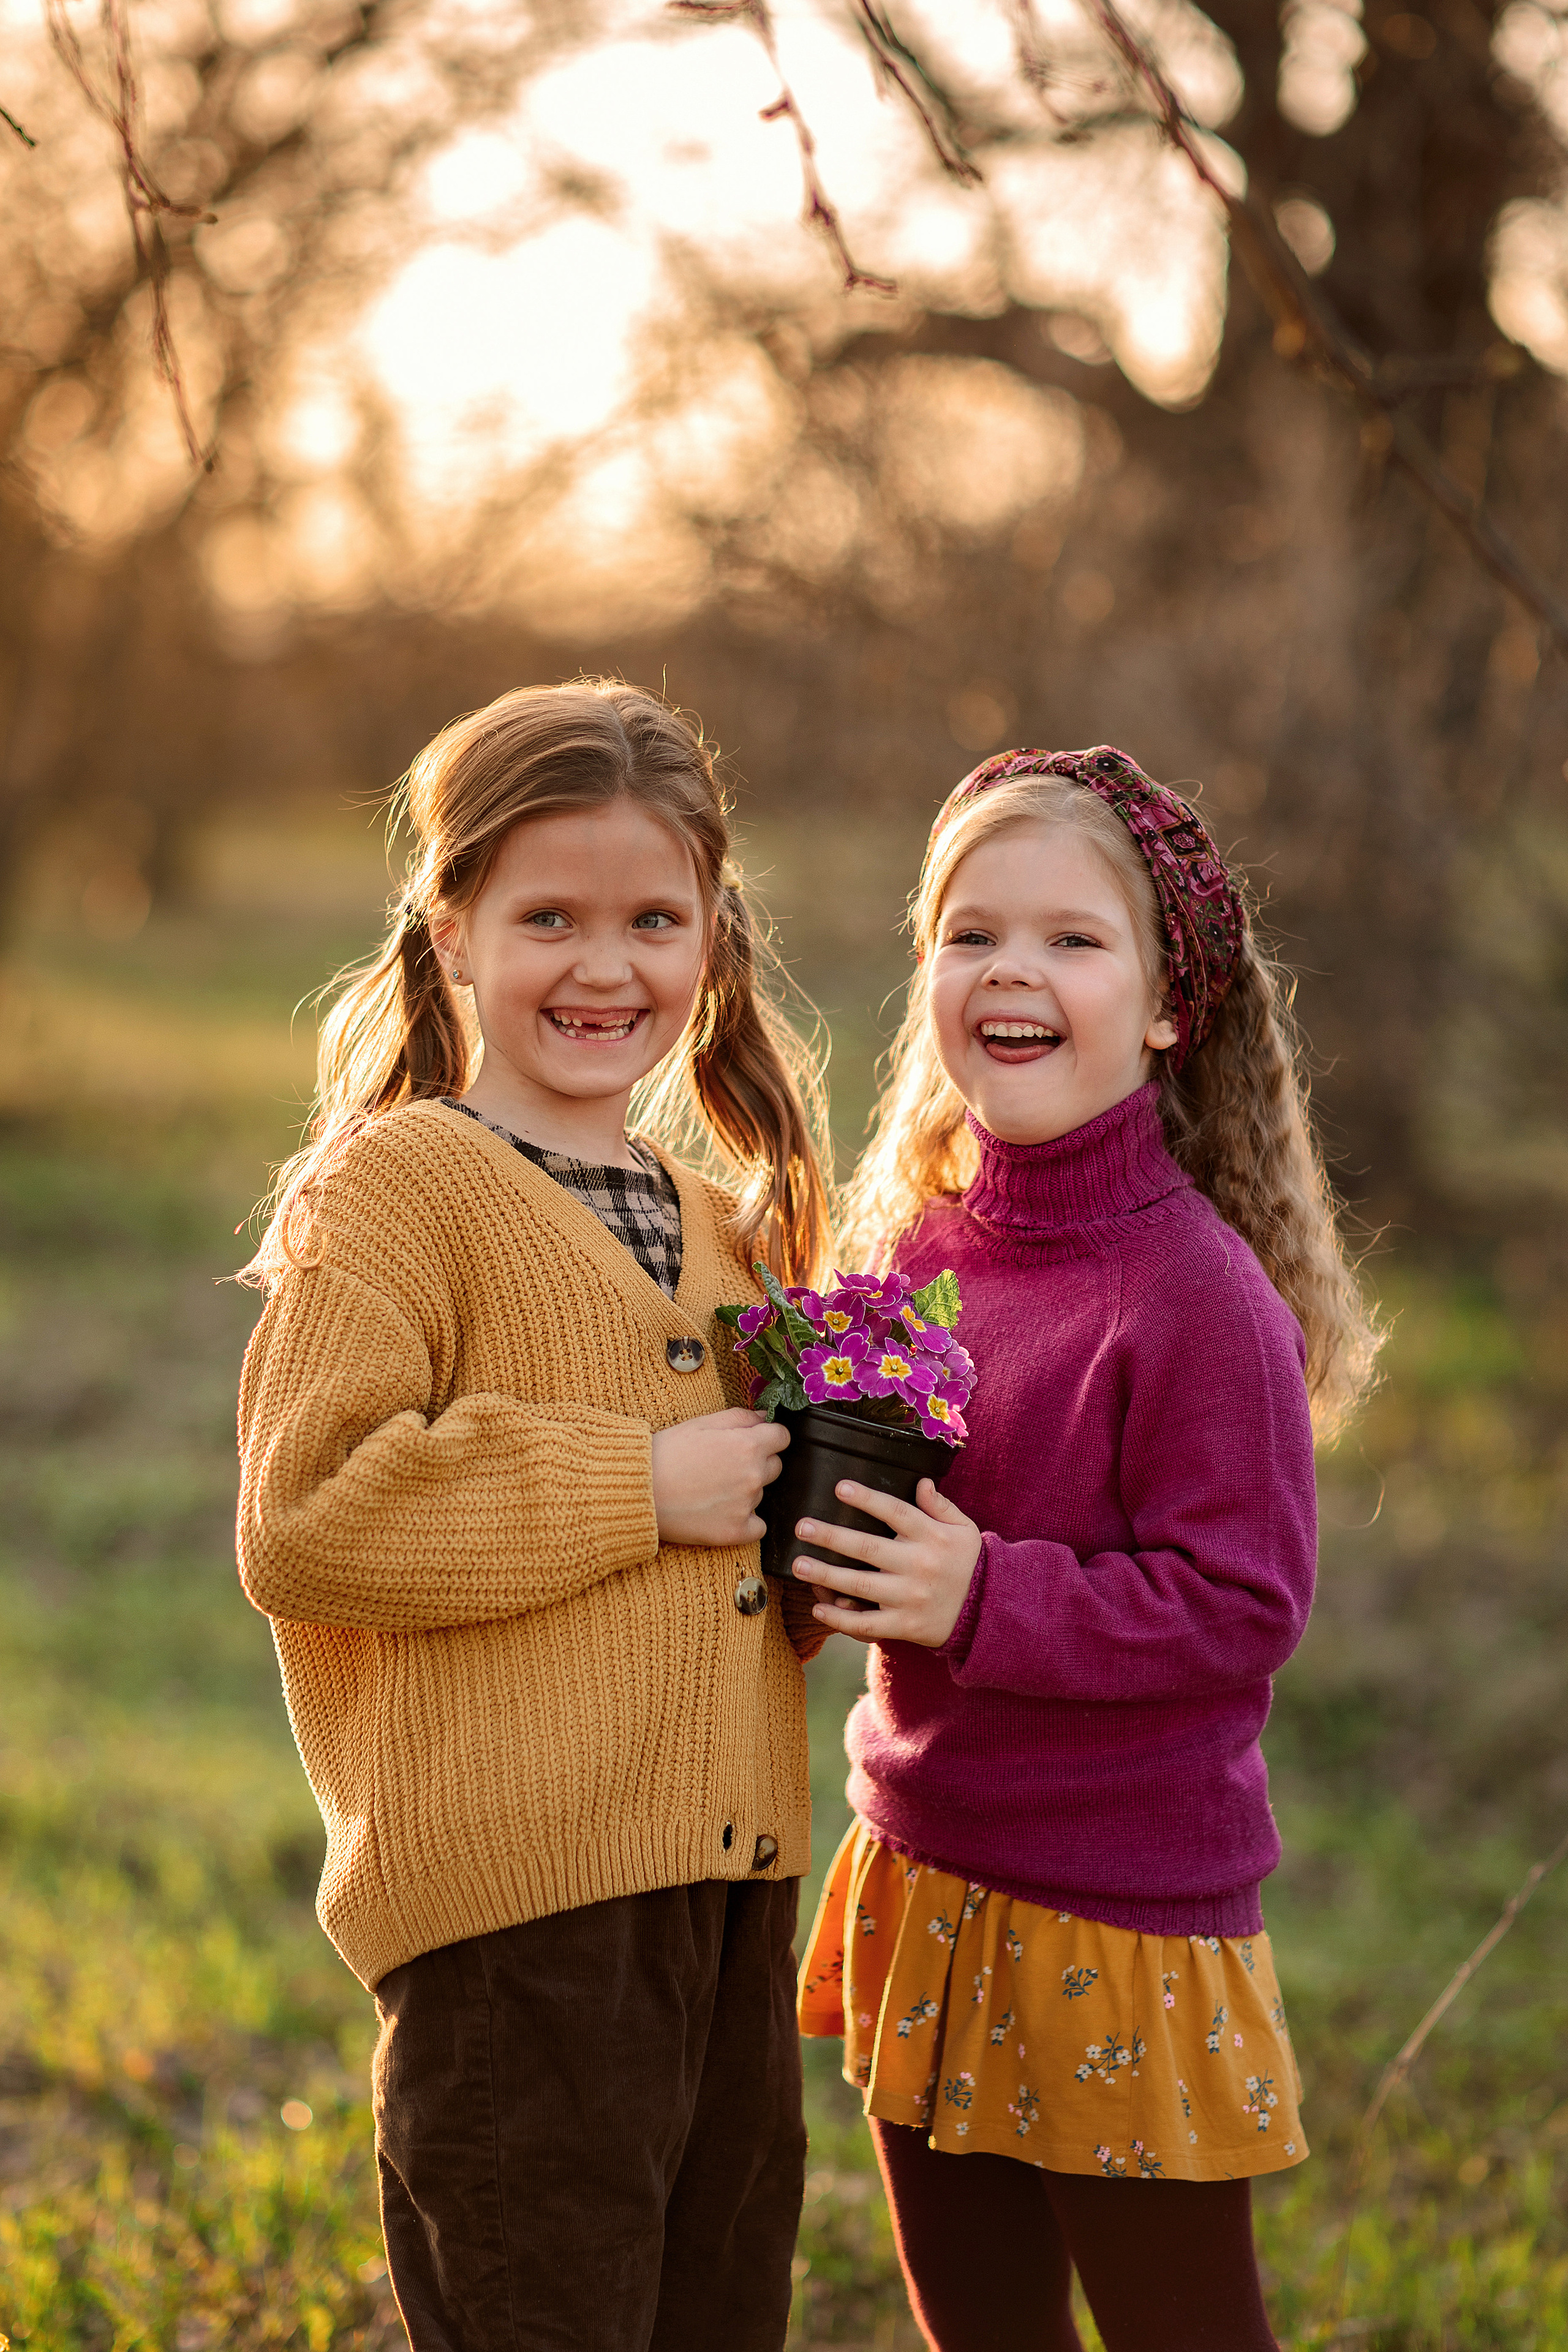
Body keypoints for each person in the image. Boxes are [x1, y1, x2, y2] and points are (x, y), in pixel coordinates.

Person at [236, 680, 834, 2352]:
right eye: (549, 917)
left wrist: (815, 1552)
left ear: (712, 936)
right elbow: (305, 1517)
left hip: (730, 1898)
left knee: (719, 2313)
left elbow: (720, 1557)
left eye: (653, 920)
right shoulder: (398, 1188)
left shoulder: (717, 1224)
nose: (604, 966)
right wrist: (635, 1484)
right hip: (522, 1919)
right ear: (452, 930)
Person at [792, 745, 1381, 2352]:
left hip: (1115, 1915)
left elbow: (1242, 1604)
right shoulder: (918, 1248)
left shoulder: (1196, 1296)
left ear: (1171, 1005)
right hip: (929, 1868)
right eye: (971, 933)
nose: (1013, 970)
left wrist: (982, 1592)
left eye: (1072, 938)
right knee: (980, 2325)